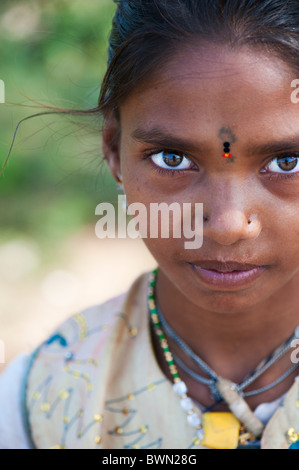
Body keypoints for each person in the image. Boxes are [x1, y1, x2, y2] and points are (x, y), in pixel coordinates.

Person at [1, 0, 299, 450]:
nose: (226, 224)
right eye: (173, 159)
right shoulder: (41, 402)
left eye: (287, 161)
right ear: (114, 150)